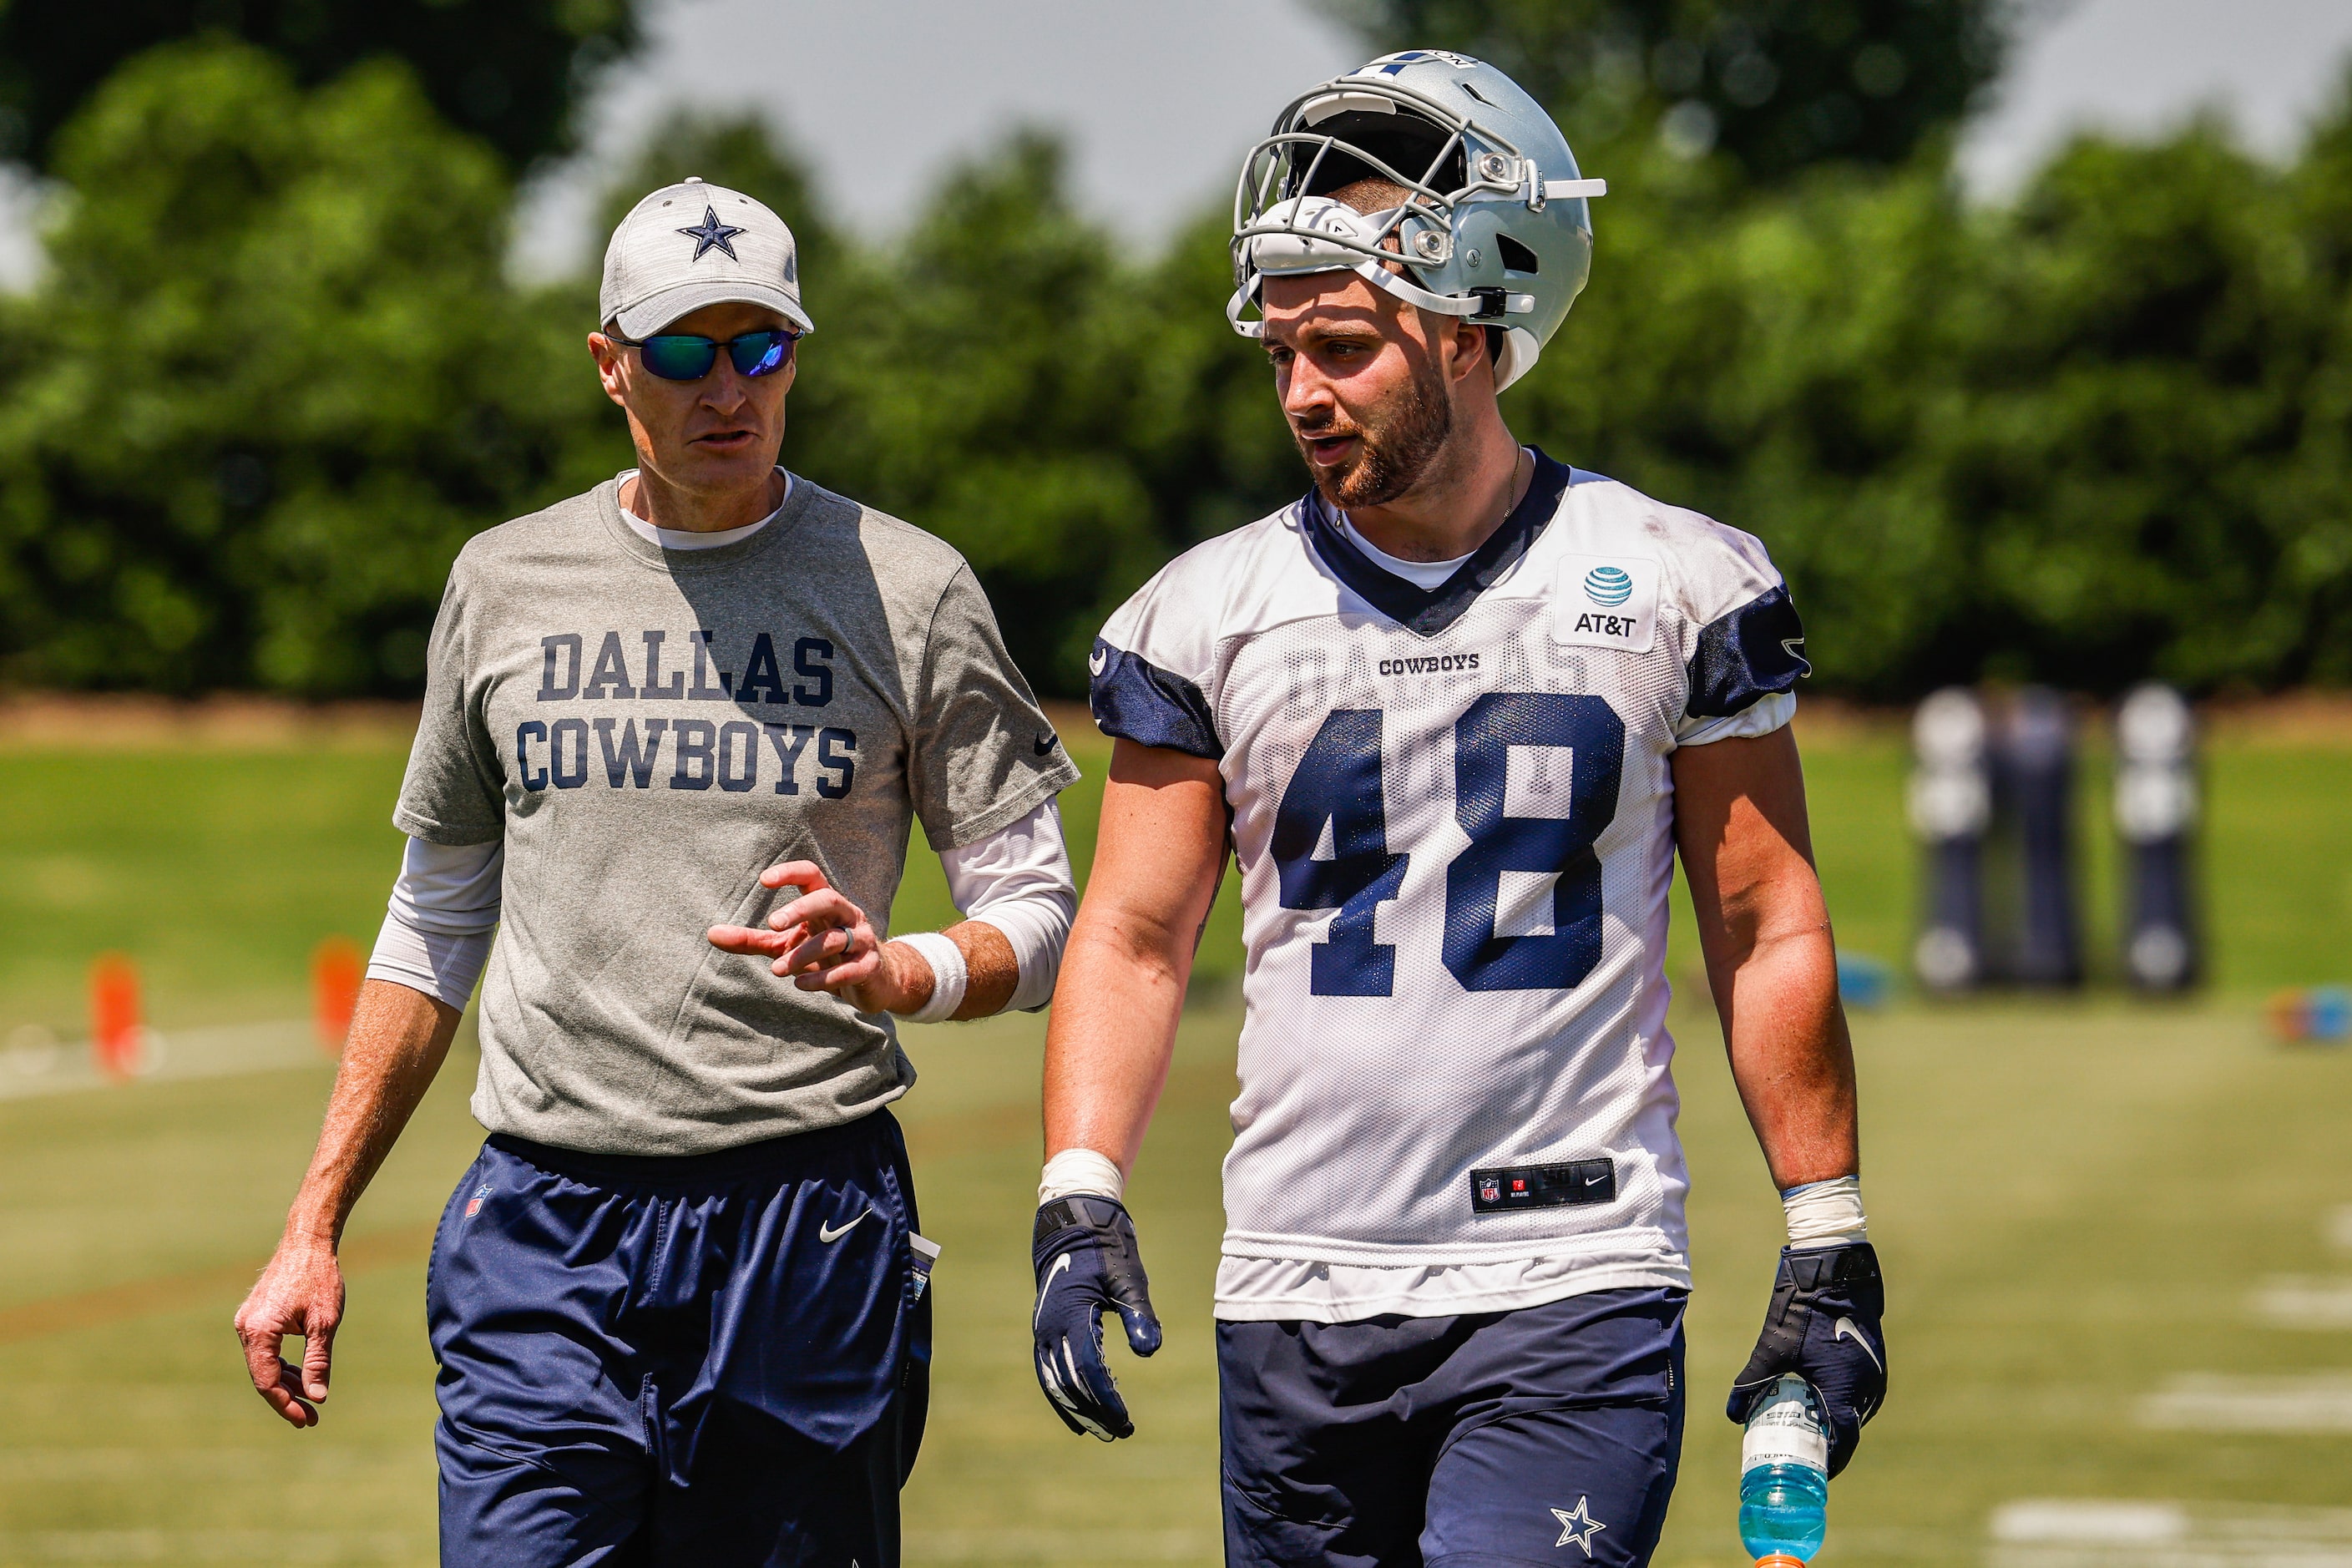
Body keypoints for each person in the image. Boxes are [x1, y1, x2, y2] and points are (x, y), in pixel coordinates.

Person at [1027, 52, 1888, 1568]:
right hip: (1294, 1282)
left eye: (1344, 345)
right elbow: (1137, 932)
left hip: (1572, 1271)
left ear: (1480, 327)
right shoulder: (1202, 610)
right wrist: (1078, 1189)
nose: (1300, 390)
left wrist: (1824, 1230)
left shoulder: (1677, 578)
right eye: (1281, 348)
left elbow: (1763, 921)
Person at [233, 177, 1081, 1567]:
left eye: (764, 347)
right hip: (543, 1228)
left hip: (803, 1220)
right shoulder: (502, 581)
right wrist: (311, 1222)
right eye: (686, 352)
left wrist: (902, 968)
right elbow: (433, 918)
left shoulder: (911, 586)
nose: (728, 387)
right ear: (610, 360)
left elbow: (1037, 910)